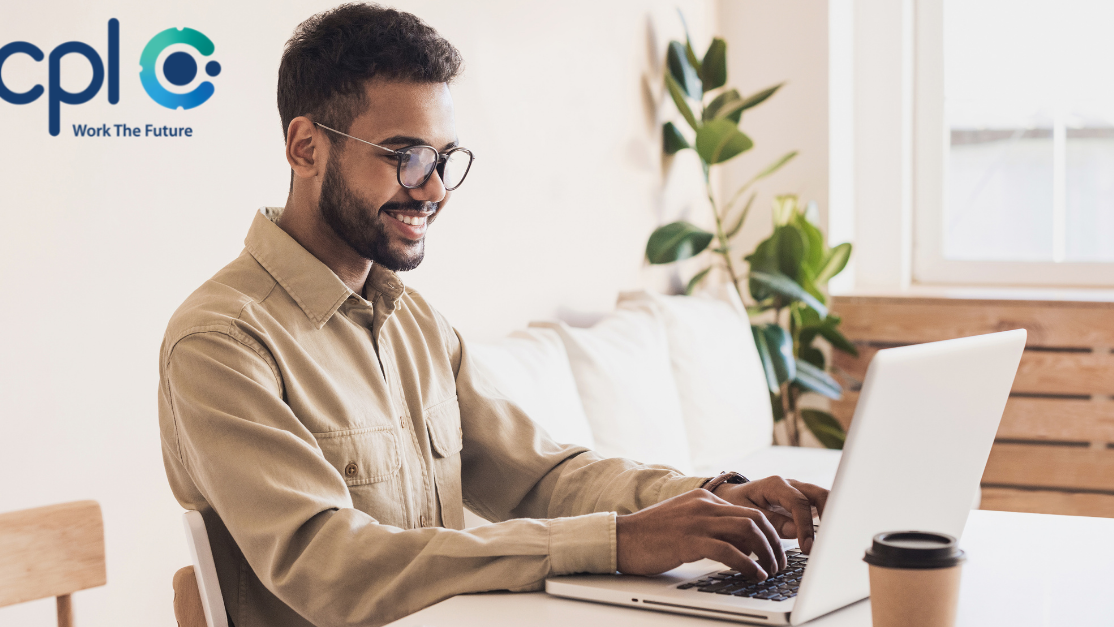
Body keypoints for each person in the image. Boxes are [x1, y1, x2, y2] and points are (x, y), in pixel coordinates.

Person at [157, 4, 829, 626]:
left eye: (444, 158)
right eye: (406, 157)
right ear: (306, 148)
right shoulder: (221, 341)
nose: (435, 189)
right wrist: (618, 542)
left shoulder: (415, 322)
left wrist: (709, 499)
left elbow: (542, 473)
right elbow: (330, 563)